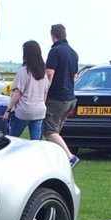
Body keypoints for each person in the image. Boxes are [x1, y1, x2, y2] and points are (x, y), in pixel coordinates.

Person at [43, 22, 79, 163]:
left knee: (50, 131)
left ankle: (70, 157)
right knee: (55, 130)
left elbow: (49, 74)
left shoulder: (55, 51)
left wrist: (44, 94)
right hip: (70, 98)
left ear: (53, 36)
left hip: (57, 98)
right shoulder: (73, 53)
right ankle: (56, 159)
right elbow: (74, 76)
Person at [5, 40, 51, 141]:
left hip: (24, 110)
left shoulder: (23, 71)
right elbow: (45, 92)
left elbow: (18, 93)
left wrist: (8, 110)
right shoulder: (43, 72)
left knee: (12, 138)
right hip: (39, 110)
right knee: (36, 141)